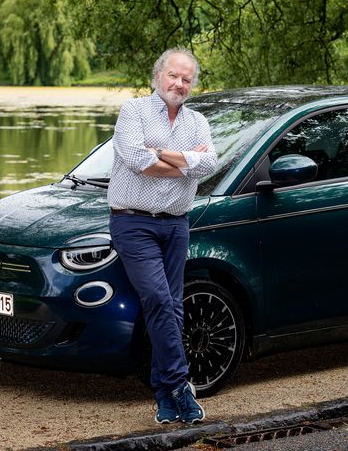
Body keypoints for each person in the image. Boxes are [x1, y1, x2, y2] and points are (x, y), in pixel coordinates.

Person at [107, 47, 218, 424]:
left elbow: (210, 163)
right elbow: (137, 160)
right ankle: (180, 384)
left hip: (175, 224)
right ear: (158, 76)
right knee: (156, 297)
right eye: (174, 76)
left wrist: (162, 153)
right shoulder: (132, 112)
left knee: (170, 306)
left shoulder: (198, 122)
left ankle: (164, 397)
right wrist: (185, 161)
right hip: (132, 222)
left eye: (187, 79)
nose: (179, 84)